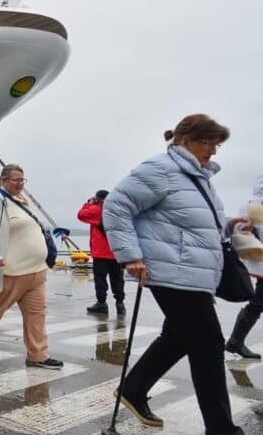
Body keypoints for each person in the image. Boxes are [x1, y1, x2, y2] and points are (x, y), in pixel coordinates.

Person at [103, 114, 244, 433]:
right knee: (208, 345)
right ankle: (222, 428)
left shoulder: (198, 176)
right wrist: (130, 256)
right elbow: (116, 206)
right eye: (207, 142)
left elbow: (188, 221)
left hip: (192, 273)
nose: (213, 150)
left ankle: (133, 389)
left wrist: (229, 226)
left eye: (216, 144)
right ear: (185, 140)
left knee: (178, 338)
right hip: (172, 272)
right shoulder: (160, 169)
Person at [0, 164, 64, 371]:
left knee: (37, 314)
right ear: (3, 179)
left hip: (36, 271)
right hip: (12, 271)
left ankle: (38, 355)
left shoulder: (21, 201)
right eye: (15, 180)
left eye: (22, 180)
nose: (19, 184)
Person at [225, 173, 263, 359]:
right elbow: (240, 233)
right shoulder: (253, 207)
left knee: (257, 303)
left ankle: (235, 341)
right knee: (257, 303)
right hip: (261, 261)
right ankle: (235, 341)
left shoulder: (250, 205)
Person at [78, 189, 125, 315]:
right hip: (116, 252)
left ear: (98, 198)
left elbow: (81, 215)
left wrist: (89, 203)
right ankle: (120, 304)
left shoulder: (96, 209)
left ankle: (102, 304)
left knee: (100, 280)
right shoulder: (117, 211)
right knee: (117, 279)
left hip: (100, 253)